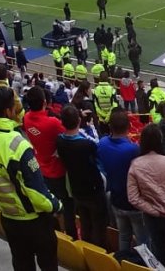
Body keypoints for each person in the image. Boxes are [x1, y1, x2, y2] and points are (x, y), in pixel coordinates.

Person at [0, 86, 62, 271]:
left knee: (22, 263)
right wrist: (56, 205)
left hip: (8, 217)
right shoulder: (17, 145)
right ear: (8, 110)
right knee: (48, 264)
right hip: (33, 221)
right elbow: (36, 192)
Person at [129, 123, 165, 266]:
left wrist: (153, 210)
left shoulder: (135, 164)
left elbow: (133, 198)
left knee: (158, 250)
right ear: (160, 140)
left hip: (152, 217)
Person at [22, 87, 76, 240]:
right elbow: (70, 130)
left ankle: (57, 231)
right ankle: (71, 236)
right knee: (67, 205)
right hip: (57, 170)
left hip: (40, 167)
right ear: (45, 102)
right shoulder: (51, 122)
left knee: (51, 203)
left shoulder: (26, 118)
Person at [55, 104, 108, 246]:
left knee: (85, 221)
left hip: (76, 188)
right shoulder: (86, 145)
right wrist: (90, 127)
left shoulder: (59, 140)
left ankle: (86, 248)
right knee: (98, 224)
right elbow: (98, 145)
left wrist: (78, 115)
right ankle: (99, 252)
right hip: (93, 190)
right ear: (78, 121)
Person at [98, 109, 149, 254]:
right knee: (143, 240)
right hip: (134, 204)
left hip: (116, 199)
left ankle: (124, 263)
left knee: (124, 236)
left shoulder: (102, 144)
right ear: (128, 127)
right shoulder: (133, 149)